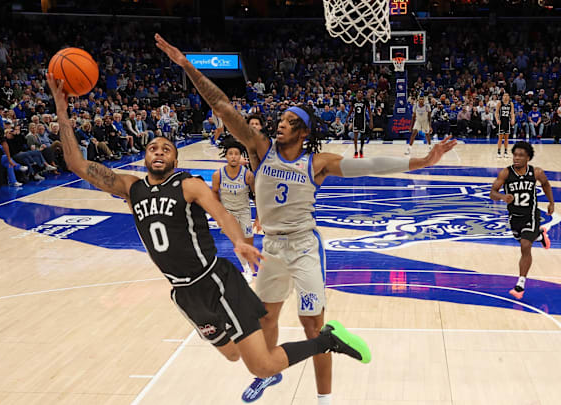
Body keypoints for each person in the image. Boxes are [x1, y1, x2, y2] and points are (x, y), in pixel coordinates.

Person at [154, 33, 456, 404]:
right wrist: (189, 67)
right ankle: (269, 372)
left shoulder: (317, 162)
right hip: (272, 249)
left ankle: (324, 399)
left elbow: (369, 165)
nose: (279, 123)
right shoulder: (259, 149)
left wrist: (421, 161)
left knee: (313, 326)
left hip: (304, 247)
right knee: (265, 319)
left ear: (303, 131)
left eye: (288, 120)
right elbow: (223, 107)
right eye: (279, 118)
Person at [47, 71, 371, 396]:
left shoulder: (189, 185)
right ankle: (258, 338)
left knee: (260, 364)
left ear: (175, 158)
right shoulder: (131, 188)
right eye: (153, 148)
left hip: (215, 279)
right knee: (232, 354)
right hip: (183, 293)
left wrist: (240, 243)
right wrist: (62, 110)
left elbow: (222, 213)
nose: (159, 152)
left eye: (166, 149)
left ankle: (326, 339)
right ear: (145, 157)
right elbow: (76, 163)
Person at [489, 141, 554, 300]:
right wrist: (503, 197)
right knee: (523, 239)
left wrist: (551, 202)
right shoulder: (506, 173)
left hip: (531, 215)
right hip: (514, 217)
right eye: (515, 155)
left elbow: (546, 184)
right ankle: (539, 235)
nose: (516, 158)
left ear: (528, 158)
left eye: (521, 155)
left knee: (525, 245)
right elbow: (492, 192)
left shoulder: (536, 172)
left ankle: (520, 284)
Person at [212, 140, 256, 283]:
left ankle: (250, 265)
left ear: (240, 157)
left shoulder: (248, 175)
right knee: (237, 243)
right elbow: (214, 194)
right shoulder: (218, 175)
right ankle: (247, 269)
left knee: (248, 241)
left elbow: (255, 195)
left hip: (244, 211)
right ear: (226, 156)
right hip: (228, 213)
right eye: (230, 154)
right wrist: (218, 214)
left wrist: (259, 217)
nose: (233, 157)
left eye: (236, 154)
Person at [495, 93, 515, 158]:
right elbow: (496, 113)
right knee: (500, 137)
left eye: (507, 95)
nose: (506, 97)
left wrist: (513, 119)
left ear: (509, 97)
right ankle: (498, 151)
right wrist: (497, 120)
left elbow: (512, 113)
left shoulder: (511, 104)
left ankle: (506, 152)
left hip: (507, 121)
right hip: (501, 121)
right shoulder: (499, 103)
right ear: (502, 97)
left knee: (506, 138)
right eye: (504, 96)